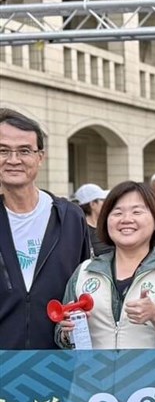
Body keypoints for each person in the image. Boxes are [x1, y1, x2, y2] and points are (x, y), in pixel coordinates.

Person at [56, 181, 155, 349]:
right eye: (117, 212)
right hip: (92, 375)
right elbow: (62, 335)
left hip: (151, 375)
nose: (126, 219)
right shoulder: (85, 270)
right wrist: (67, 332)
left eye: (137, 212)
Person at [0, 109, 92, 350]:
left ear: (40, 157)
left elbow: (83, 283)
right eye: (3, 150)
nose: (13, 160)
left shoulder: (69, 217)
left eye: (24, 151)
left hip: (57, 361)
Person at [72, 183, 113, 256]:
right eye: (103, 200)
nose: (107, 204)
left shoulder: (110, 225)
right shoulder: (81, 231)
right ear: (93, 204)